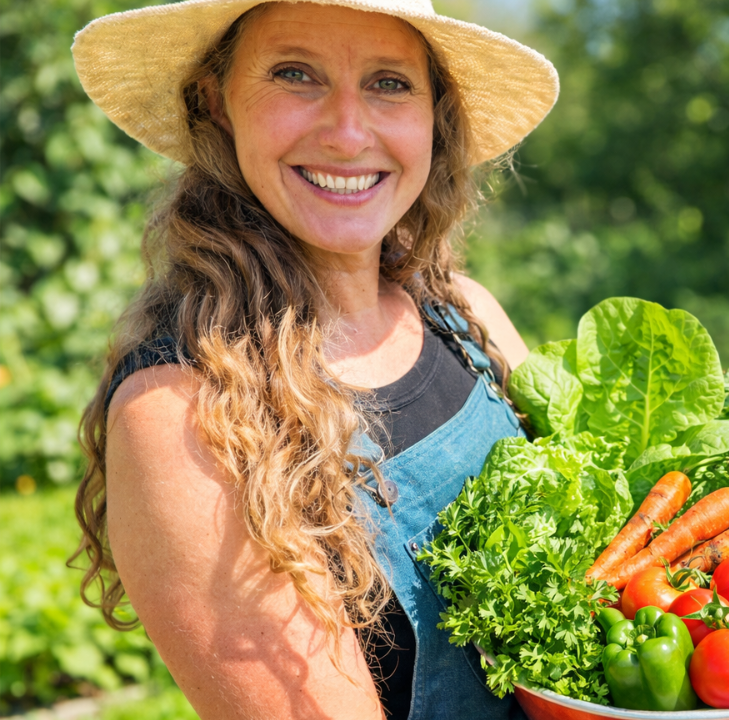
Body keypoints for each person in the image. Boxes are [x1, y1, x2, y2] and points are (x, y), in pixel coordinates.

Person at [69, 1, 558, 717]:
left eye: (391, 83)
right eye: (295, 74)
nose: (348, 132)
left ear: (435, 116)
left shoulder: (468, 314)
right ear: (216, 104)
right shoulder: (179, 413)